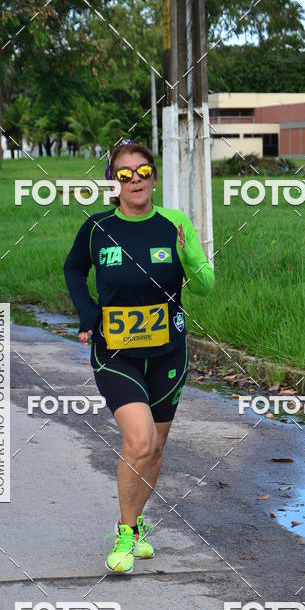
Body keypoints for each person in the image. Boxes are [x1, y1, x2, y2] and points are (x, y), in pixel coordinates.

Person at [63, 140, 215, 574]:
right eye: (124, 173)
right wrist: (88, 313)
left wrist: (188, 254)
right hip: (116, 353)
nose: (135, 180)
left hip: (168, 351)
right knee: (140, 441)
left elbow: (205, 286)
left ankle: (138, 521)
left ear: (154, 176)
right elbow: (74, 269)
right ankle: (126, 533)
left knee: (156, 447)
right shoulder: (96, 228)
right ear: (113, 181)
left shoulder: (175, 222)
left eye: (143, 171)